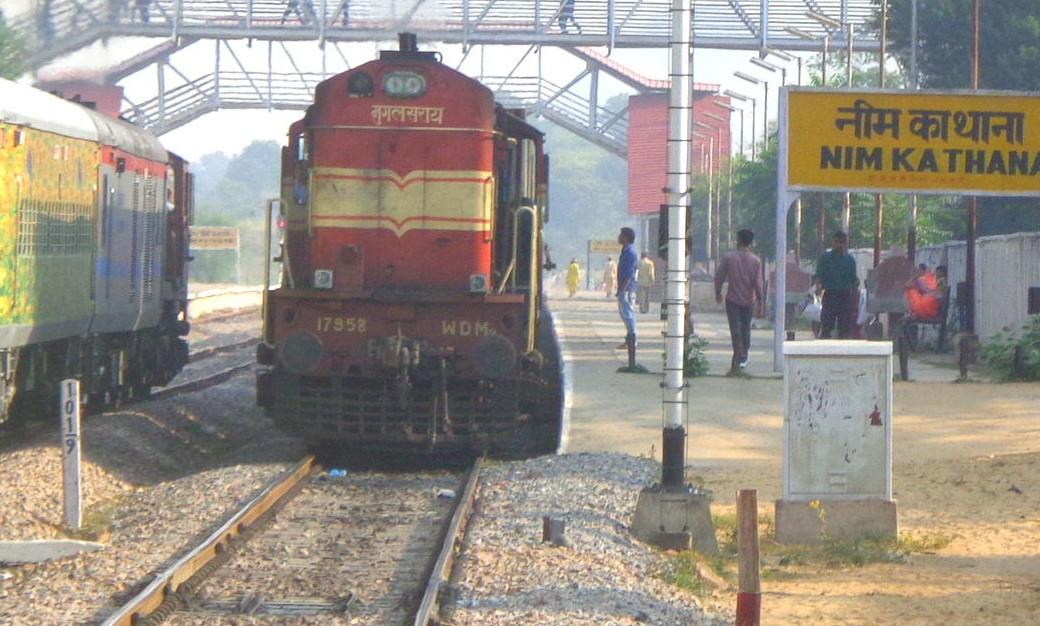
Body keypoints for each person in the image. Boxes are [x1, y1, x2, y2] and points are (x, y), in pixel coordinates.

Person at [714, 229, 764, 372]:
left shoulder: (729, 258)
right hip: (749, 301)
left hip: (733, 300)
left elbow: (719, 277)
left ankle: (739, 356)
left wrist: (717, 293)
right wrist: (761, 303)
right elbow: (758, 284)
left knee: (735, 330)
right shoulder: (756, 261)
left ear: (739, 240)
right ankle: (743, 356)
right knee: (745, 329)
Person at [814, 231, 858, 339]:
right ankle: (825, 349)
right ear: (833, 242)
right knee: (827, 324)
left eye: (842, 242)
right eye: (837, 242)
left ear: (846, 243)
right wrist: (818, 288)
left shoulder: (850, 260)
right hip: (830, 295)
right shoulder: (825, 258)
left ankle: (843, 350)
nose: (839, 245)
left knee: (844, 326)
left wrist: (855, 298)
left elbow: (854, 281)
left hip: (845, 296)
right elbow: (819, 275)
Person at [616, 227, 639, 366]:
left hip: (627, 289)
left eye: (621, 235)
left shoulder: (630, 253)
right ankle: (629, 339)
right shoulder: (625, 251)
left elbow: (630, 273)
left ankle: (632, 340)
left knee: (628, 314)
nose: (618, 237)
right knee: (625, 314)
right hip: (623, 288)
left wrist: (623, 289)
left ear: (626, 237)